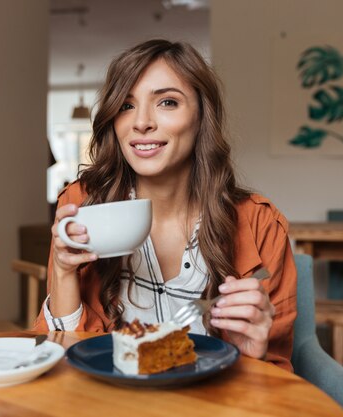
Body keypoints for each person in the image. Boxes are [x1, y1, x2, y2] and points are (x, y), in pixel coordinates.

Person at [34, 39, 297, 372]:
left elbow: (278, 378)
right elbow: (64, 360)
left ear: (202, 116)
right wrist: (63, 272)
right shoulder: (82, 206)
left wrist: (251, 357)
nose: (141, 122)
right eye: (126, 105)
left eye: (167, 102)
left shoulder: (262, 225)